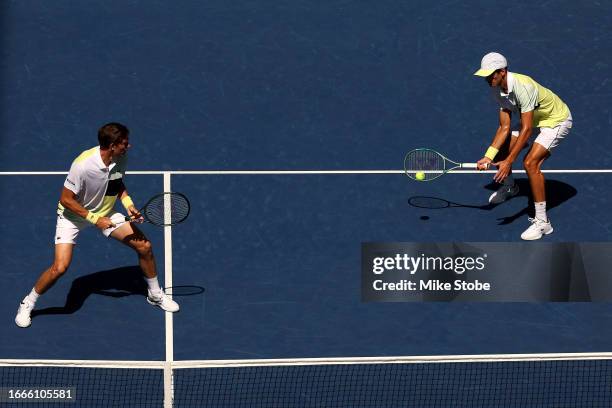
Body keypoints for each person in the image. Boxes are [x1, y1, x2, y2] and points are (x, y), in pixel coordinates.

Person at [15, 123, 179, 328]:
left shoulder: (120, 157)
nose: (129, 146)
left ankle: (155, 295)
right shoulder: (82, 165)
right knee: (60, 267)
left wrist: (129, 205)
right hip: (72, 217)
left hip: (106, 212)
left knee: (144, 246)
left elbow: (116, 183)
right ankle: (27, 302)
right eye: (125, 143)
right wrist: (94, 219)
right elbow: (66, 199)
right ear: (112, 145)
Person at [474, 52, 573, 240]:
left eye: (491, 74)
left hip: (556, 121)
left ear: (502, 71)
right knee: (500, 150)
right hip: (535, 121)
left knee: (530, 163)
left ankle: (544, 223)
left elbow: (526, 129)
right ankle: (511, 187)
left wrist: (509, 161)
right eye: (485, 75)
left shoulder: (523, 87)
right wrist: (489, 156)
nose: (487, 79)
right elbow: (504, 127)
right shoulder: (496, 88)